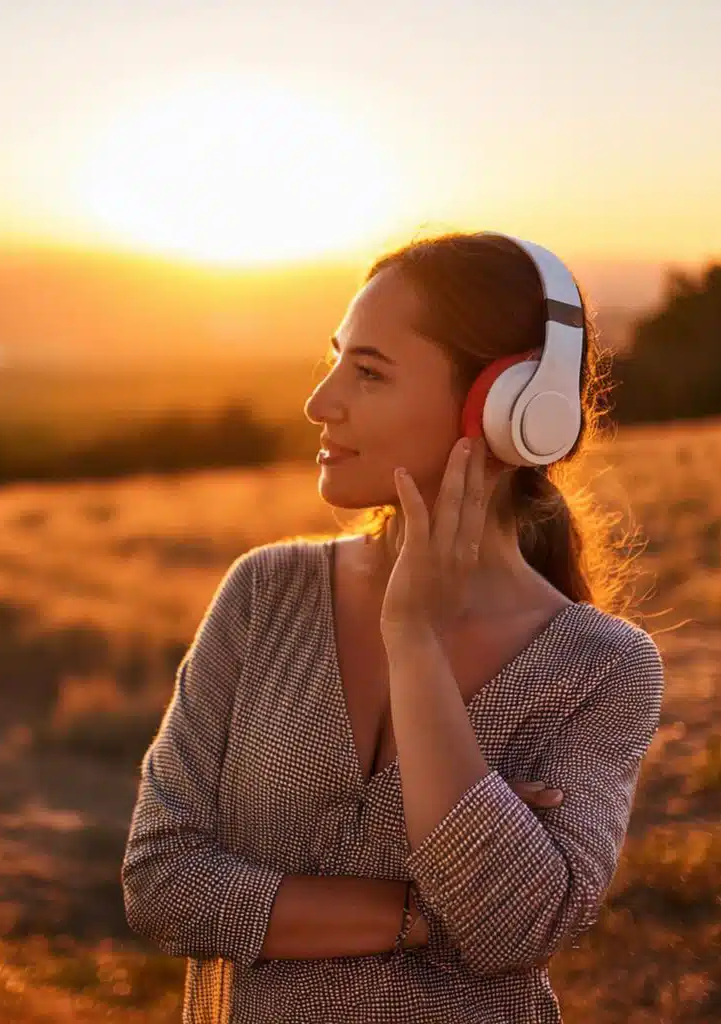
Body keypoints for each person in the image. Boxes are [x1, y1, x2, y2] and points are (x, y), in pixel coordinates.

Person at [121, 231, 665, 1023]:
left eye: (369, 372)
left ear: (511, 406)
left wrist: (416, 646)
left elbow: (515, 928)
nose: (320, 401)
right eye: (337, 358)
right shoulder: (263, 595)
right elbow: (163, 884)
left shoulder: (600, 666)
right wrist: (422, 912)